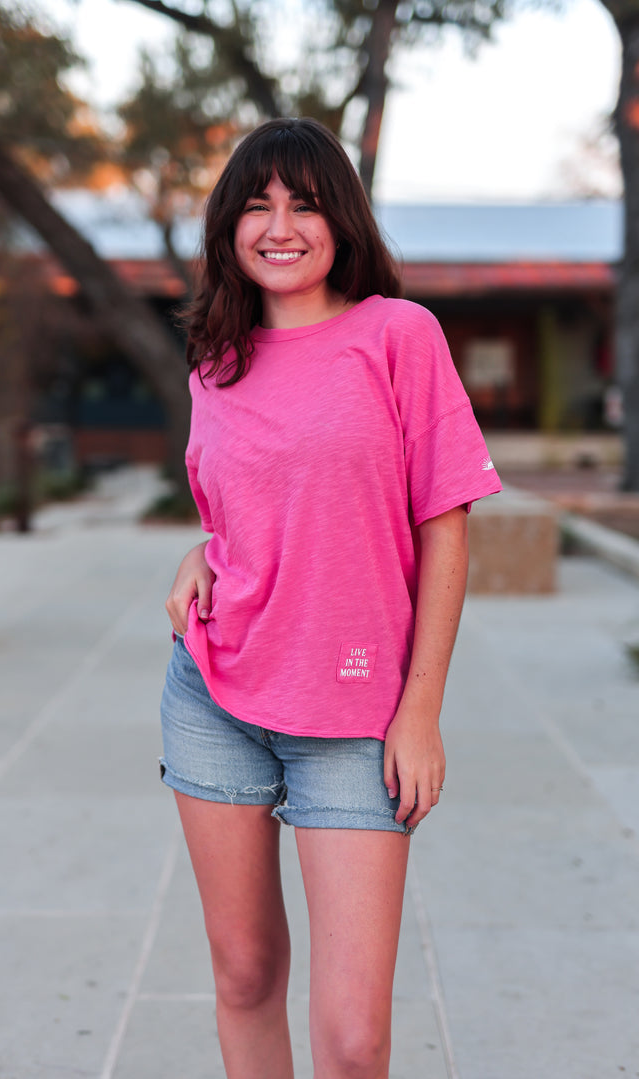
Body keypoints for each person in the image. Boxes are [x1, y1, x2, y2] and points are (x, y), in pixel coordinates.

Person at [161, 116, 502, 1079]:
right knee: (244, 972)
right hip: (214, 699)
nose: (280, 225)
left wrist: (421, 710)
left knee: (354, 1041)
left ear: (340, 221)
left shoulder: (400, 334)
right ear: (229, 227)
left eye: (304, 204)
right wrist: (200, 549)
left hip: (356, 714)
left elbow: (443, 524)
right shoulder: (214, 366)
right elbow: (258, 508)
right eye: (257, 205)